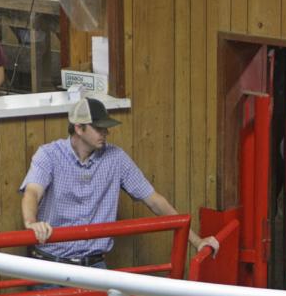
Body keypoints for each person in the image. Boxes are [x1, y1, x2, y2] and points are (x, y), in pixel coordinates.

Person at [20, 96, 220, 268]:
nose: (105, 133)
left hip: (93, 265)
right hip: (50, 263)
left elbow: (154, 200)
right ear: (79, 128)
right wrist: (31, 222)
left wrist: (197, 241)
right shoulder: (48, 155)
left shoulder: (116, 158)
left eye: (106, 128)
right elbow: (32, 192)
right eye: (99, 128)